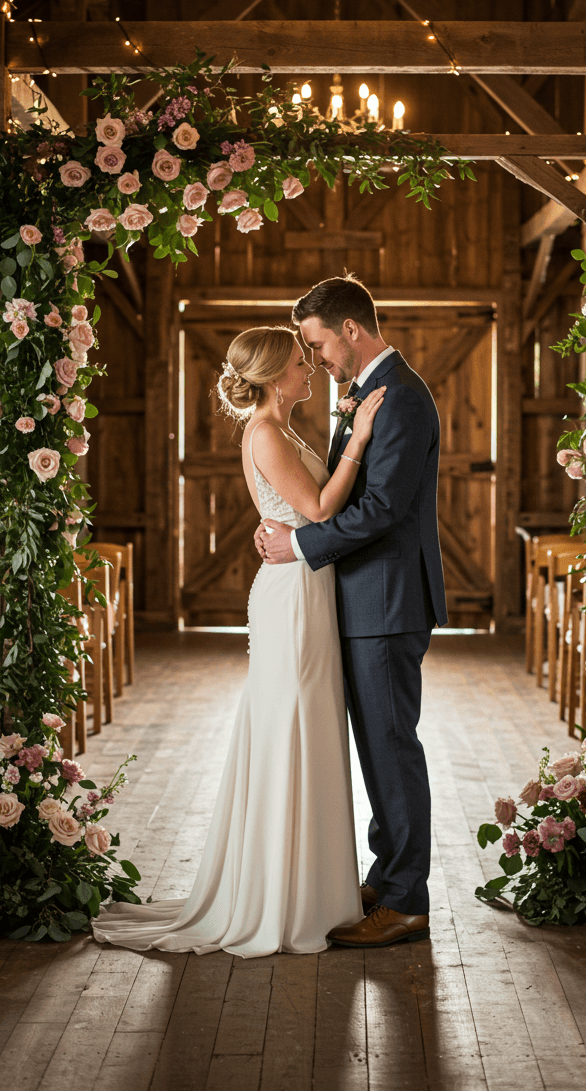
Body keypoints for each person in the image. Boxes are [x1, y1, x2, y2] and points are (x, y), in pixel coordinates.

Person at [91, 325, 385, 956]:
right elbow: (322, 510)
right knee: (290, 728)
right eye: (300, 363)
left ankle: (307, 886)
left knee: (305, 727)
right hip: (293, 596)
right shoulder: (268, 433)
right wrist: (359, 439)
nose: (310, 368)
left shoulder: (281, 428)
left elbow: (298, 505)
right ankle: (279, 895)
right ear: (277, 375)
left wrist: (345, 433)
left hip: (303, 582)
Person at [256, 274, 446, 948]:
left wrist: (299, 545)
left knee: (392, 748)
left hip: (387, 603)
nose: (317, 360)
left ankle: (406, 900)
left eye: (317, 344)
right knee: (377, 748)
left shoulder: (398, 400)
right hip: (367, 599)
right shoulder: (369, 395)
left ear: (351, 330)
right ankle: (387, 875)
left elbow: (382, 510)